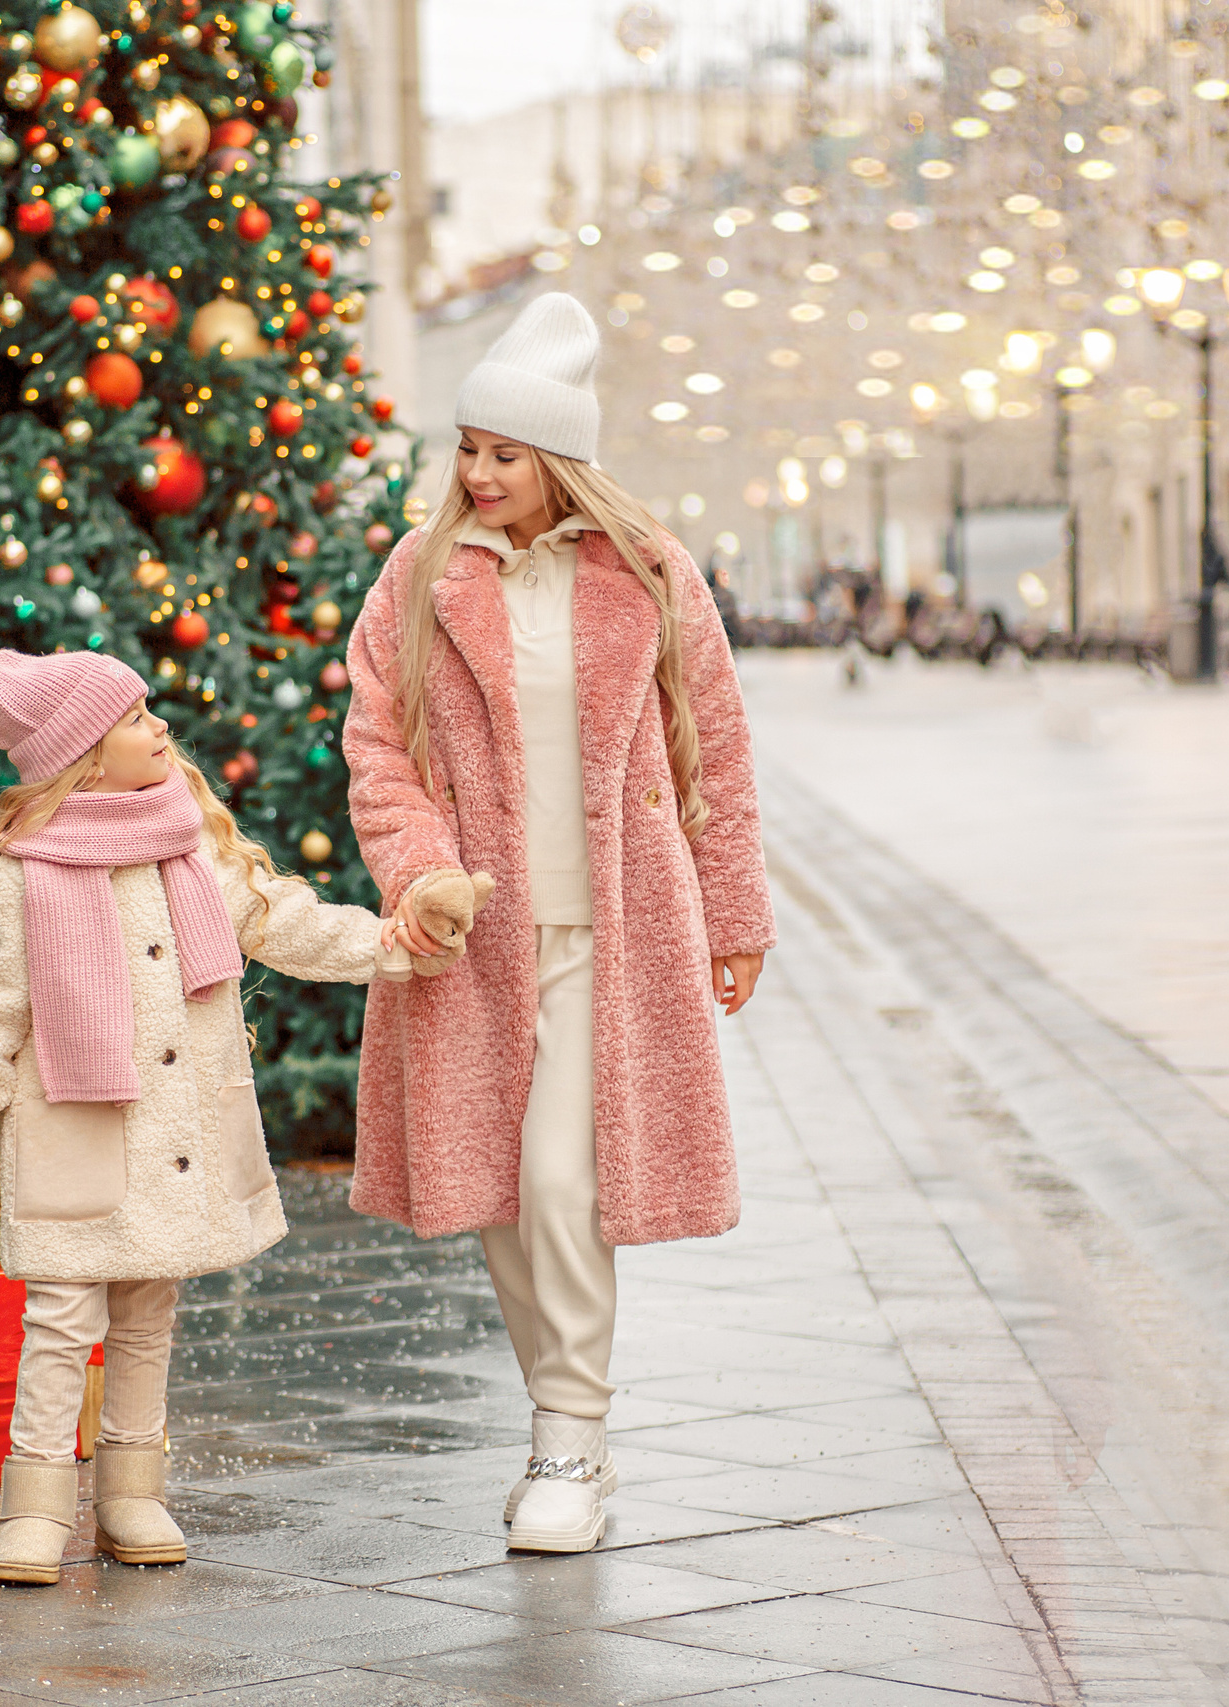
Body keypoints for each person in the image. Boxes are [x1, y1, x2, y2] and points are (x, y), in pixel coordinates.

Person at [0, 649, 490, 1584]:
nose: (160, 727)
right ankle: (36, 1504)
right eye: (135, 717)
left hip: (175, 1136)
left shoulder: (187, 842)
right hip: (76, 1131)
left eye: (151, 709)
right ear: (83, 756)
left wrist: (392, 943)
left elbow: (281, 921)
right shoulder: (30, 875)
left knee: (148, 1317)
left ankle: (131, 1492)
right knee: (61, 1321)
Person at [342, 293, 777, 1554]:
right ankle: (565, 1417)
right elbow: (378, 747)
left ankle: (568, 1444)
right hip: (472, 935)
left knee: (559, 1183)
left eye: (505, 454)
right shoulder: (419, 576)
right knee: (493, 1190)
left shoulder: (650, 572)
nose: (477, 475)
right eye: (467, 448)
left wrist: (733, 912)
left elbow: (715, 748)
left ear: (560, 459)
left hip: (614, 932)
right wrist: (420, 873)